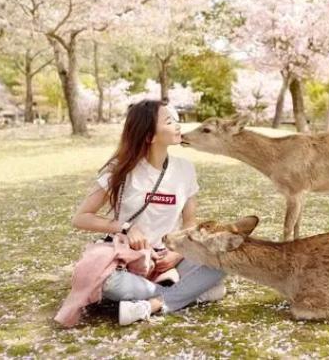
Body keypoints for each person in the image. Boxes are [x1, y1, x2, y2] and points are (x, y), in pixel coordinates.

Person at [72, 99, 225, 325]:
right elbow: (81, 218)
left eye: (175, 120)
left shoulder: (185, 169)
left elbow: (190, 221)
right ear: (149, 136)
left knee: (224, 257)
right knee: (110, 285)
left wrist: (179, 253)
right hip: (130, 261)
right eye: (169, 121)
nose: (177, 126)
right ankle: (194, 293)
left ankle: (153, 303)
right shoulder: (120, 169)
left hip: (170, 258)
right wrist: (125, 227)